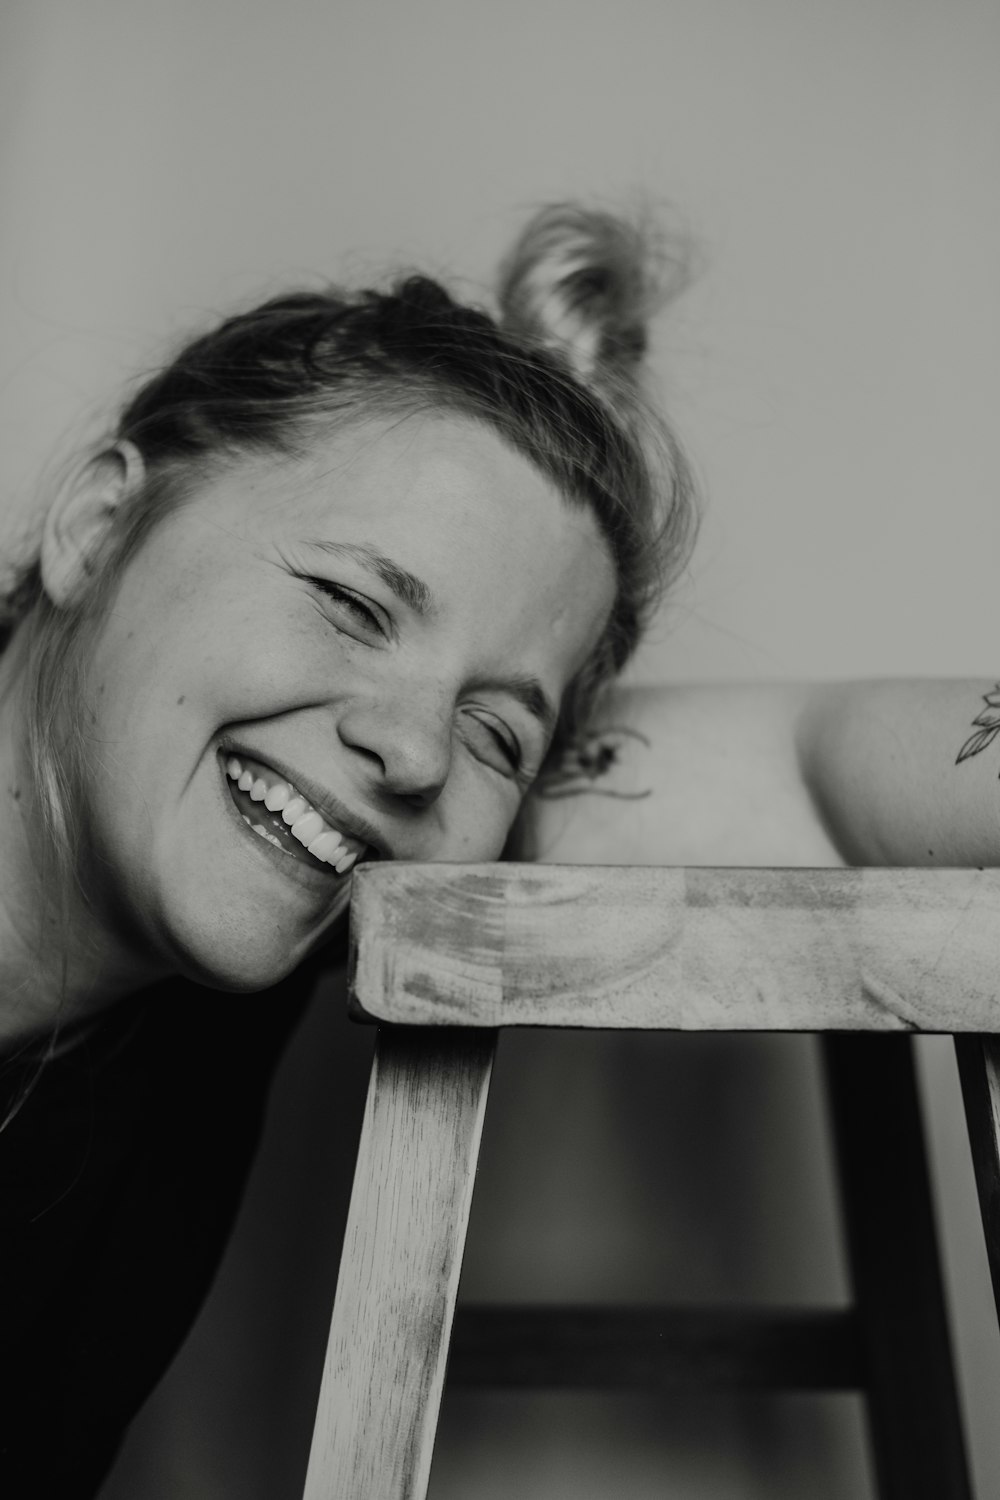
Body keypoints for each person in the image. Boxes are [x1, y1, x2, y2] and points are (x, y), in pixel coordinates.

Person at [0, 203, 696, 1494]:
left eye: (496, 733)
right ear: (96, 529)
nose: (419, 756)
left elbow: (827, 770)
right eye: (353, 604)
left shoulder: (261, 849)